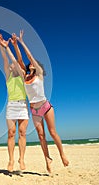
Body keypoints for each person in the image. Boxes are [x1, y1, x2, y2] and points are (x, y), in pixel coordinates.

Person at [13, 30, 69, 173]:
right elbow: (19, 60)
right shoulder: (24, 76)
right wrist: (14, 45)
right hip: (35, 110)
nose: (31, 63)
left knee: (52, 132)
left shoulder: (39, 74)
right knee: (41, 135)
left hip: (45, 106)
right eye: (30, 64)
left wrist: (21, 41)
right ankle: (47, 159)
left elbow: (29, 56)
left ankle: (62, 154)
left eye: (33, 63)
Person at [0, 31, 29, 172]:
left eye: (12, 65)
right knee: (11, 133)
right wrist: (1, 45)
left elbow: (16, 61)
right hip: (12, 106)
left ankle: (21, 158)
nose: (11, 66)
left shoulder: (22, 75)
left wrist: (10, 47)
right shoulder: (9, 76)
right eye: (10, 66)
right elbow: (5, 60)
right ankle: (11, 160)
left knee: (22, 132)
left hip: (22, 105)